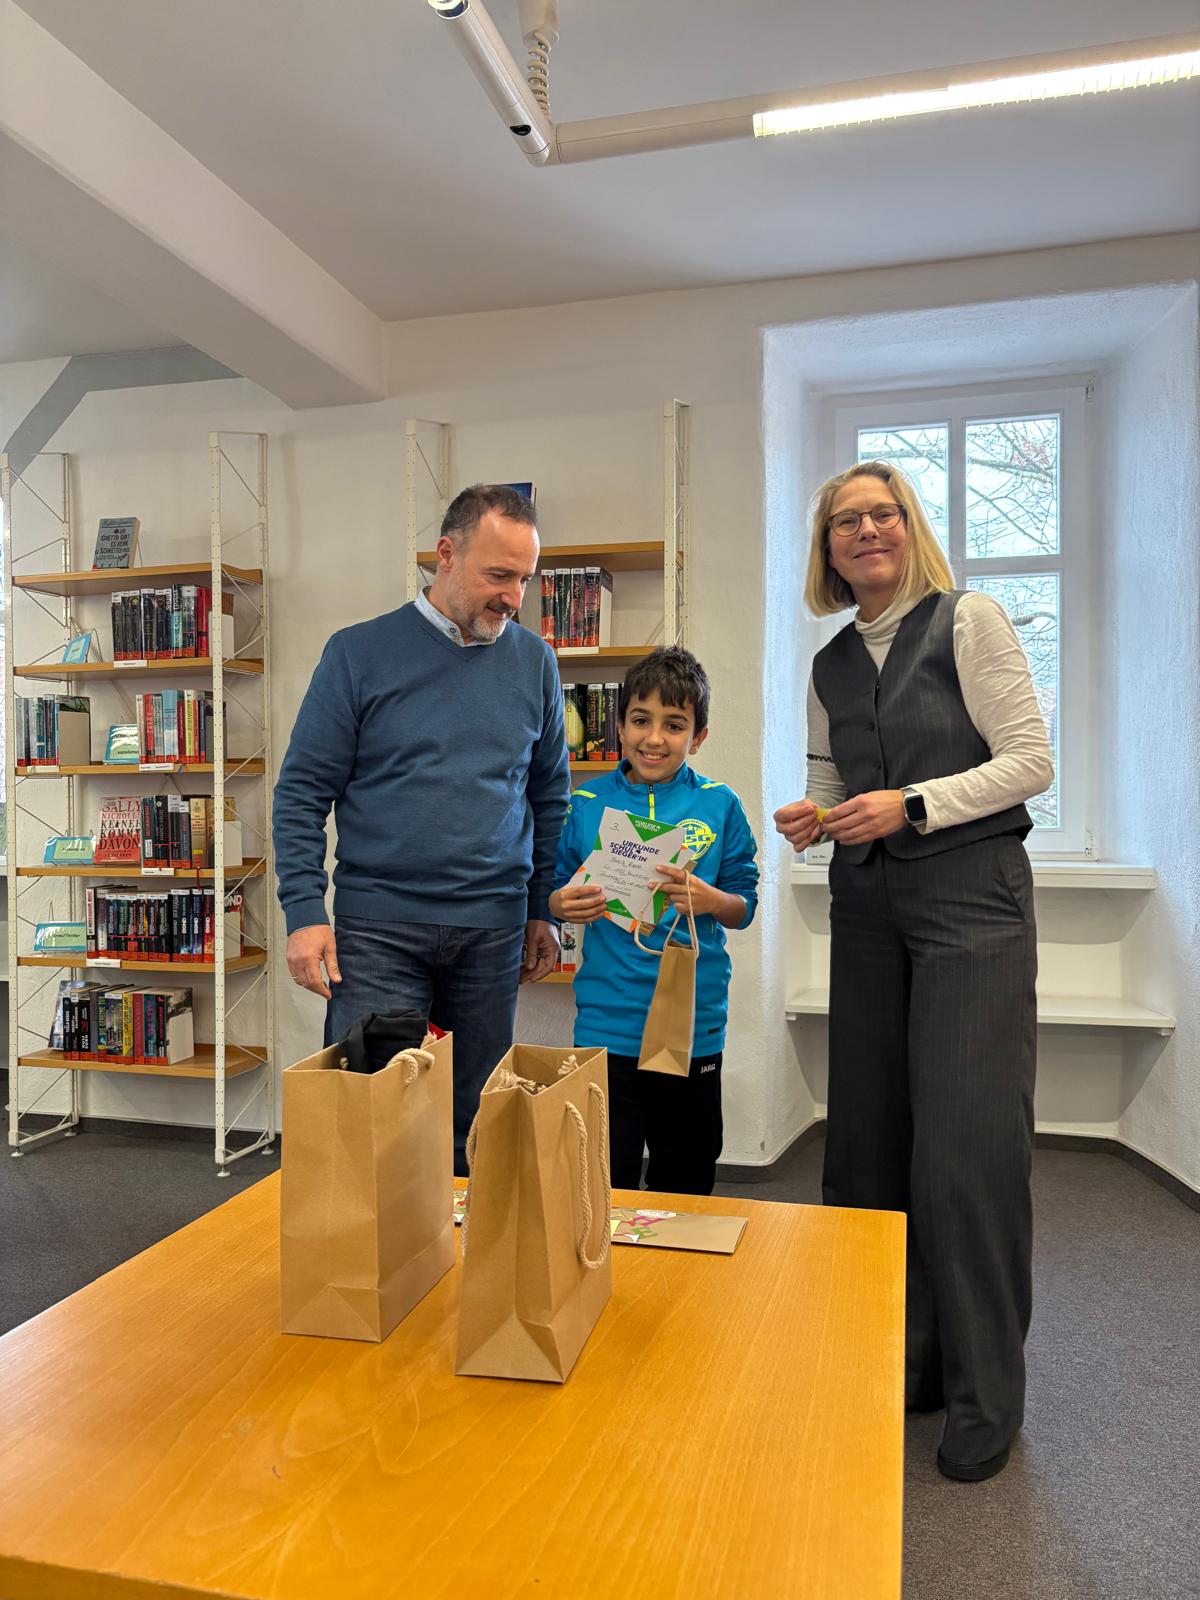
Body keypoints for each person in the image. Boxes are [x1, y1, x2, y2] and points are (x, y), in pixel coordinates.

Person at [774, 461, 1054, 1483]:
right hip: (867, 909)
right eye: (846, 521)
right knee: (868, 1146)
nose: (867, 530)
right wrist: (814, 816)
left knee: (965, 1152)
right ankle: (904, 1359)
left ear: (911, 525)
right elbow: (829, 776)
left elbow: (1030, 760)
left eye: (883, 513)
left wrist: (914, 804)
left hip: (971, 902)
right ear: (828, 548)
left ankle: (986, 1393)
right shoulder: (830, 663)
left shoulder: (968, 621)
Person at [273, 484, 569, 1171]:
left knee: (477, 1125)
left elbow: (549, 796)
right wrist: (303, 912)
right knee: (373, 1123)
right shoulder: (357, 653)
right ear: (446, 554)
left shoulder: (535, 662)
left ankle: (464, 1243)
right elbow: (302, 792)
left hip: (492, 930)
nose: (514, 597)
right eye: (499, 575)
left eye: (525, 579)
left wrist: (541, 910)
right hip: (379, 929)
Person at [550, 647, 759, 1196]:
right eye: (641, 720)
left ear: (699, 736)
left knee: (686, 1177)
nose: (655, 738)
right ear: (619, 726)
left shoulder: (720, 805)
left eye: (675, 725)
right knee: (601, 1179)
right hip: (606, 1022)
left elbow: (744, 905)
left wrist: (711, 900)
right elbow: (555, 886)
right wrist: (560, 907)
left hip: (691, 1021)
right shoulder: (586, 803)